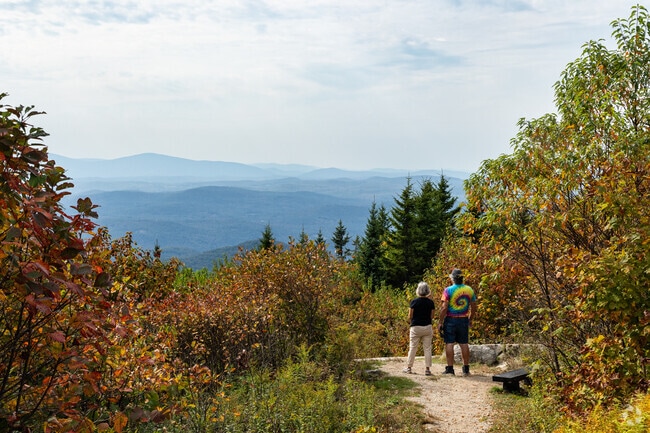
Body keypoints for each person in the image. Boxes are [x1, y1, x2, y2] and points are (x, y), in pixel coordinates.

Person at [438, 268, 477, 376]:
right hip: (464, 318)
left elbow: (444, 307)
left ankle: (450, 369)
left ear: (452, 278)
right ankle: (466, 369)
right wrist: (470, 318)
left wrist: (440, 321)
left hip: (451, 319)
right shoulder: (469, 290)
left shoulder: (448, 290)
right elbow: (474, 306)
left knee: (449, 343)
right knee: (464, 343)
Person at [403, 281, 436, 375]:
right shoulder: (430, 303)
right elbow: (432, 316)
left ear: (418, 290)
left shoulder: (414, 302)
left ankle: (409, 367)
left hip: (415, 326)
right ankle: (427, 369)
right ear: (427, 291)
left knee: (413, 347)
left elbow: (410, 316)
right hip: (427, 327)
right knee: (427, 348)